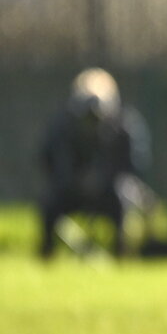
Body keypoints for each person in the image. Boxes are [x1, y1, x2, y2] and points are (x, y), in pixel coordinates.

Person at [38, 67, 154, 259]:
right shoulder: (63, 126)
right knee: (49, 201)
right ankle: (47, 252)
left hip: (110, 191)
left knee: (122, 196)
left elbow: (136, 164)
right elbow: (48, 158)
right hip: (72, 190)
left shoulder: (125, 125)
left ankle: (121, 252)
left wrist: (104, 178)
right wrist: (74, 180)